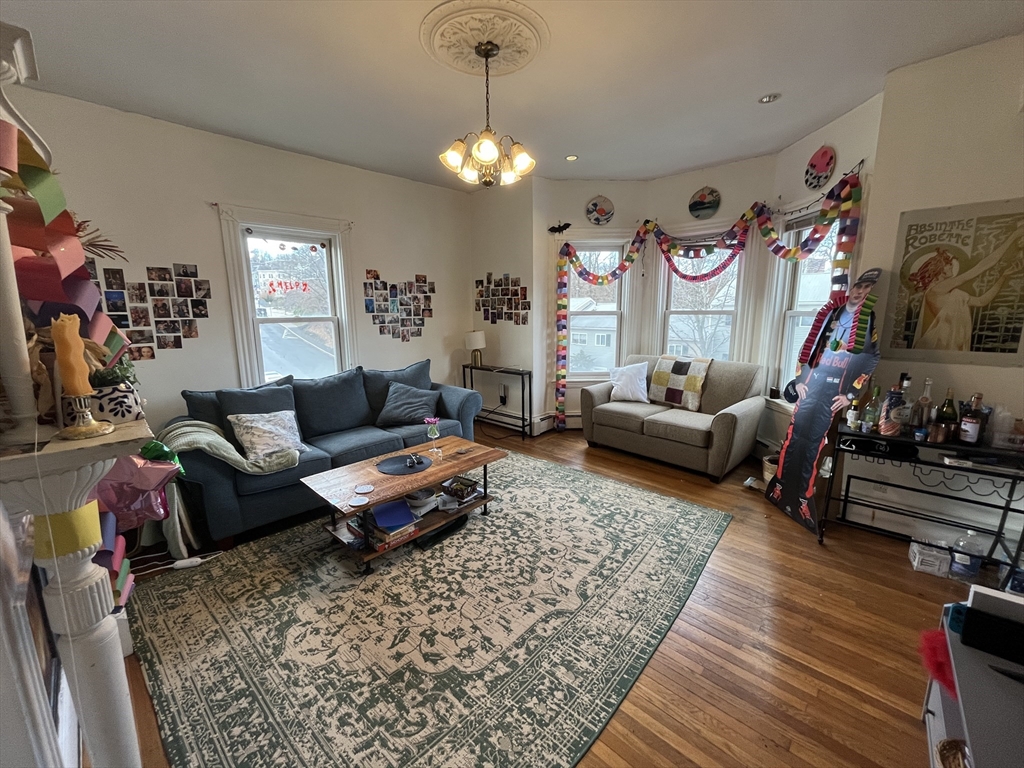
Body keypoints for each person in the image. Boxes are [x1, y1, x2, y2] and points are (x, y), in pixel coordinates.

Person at [767, 268, 882, 531]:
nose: (860, 292)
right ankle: (780, 487)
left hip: (834, 392)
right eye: (857, 287)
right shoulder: (831, 313)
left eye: (866, 289)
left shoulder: (867, 319)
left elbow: (872, 358)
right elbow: (806, 348)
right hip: (812, 385)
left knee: (813, 446)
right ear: (849, 289)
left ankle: (803, 498)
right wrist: (799, 380)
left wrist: (851, 394)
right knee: (793, 440)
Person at [911, 222, 1022, 351]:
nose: (951, 265)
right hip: (939, 346)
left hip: (950, 347)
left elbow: (981, 301)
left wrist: (1003, 276)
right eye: (948, 264)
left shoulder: (954, 295)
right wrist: (1013, 237)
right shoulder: (937, 289)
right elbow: (981, 267)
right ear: (939, 269)